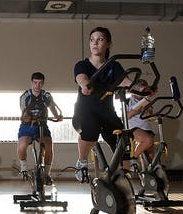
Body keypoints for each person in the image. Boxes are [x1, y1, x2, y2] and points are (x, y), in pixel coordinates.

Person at [72, 26, 132, 182]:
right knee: (91, 129)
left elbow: (125, 81)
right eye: (92, 40)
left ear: (108, 44)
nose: (95, 43)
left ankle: (121, 176)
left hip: (107, 113)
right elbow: (81, 78)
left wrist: (141, 88)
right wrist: (85, 85)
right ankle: (82, 162)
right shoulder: (82, 65)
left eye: (100, 39)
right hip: (85, 113)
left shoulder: (114, 66)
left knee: (124, 143)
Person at [17, 72, 63, 184]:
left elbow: (52, 107)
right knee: (22, 146)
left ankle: (46, 174)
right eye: (35, 83)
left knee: (48, 146)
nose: (37, 85)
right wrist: (26, 117)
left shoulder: (46, 96)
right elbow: (23, 111)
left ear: (43, 83)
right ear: (32, 82)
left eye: (40, 83)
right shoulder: (25, 96)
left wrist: (57, 116)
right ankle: (23, 168)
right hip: (27, 126)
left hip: (41, 125)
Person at [126, 78, 156, 167]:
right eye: (141, 91)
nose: (142, 94)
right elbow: (125, 116)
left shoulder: (146, 101)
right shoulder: (128, 101)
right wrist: (135, 111)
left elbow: (149, 113)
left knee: (150, 154)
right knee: (148, 141)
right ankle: (133, 159)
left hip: (146, 127)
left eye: (144, 91)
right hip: (134, 128)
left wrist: (145, 109)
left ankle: (150, 173)